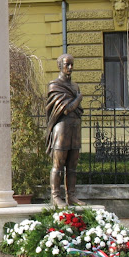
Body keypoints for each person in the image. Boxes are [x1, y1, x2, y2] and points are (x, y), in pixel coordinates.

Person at [45, 54, 85, 206]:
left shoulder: (75, 87)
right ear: (60, 66)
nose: (70, 67)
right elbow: (66, 109)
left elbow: (77, 110)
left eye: (72, 64)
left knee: (73, 165)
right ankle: (55, 196)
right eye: (67, 64)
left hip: (75, 127)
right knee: (58, 164)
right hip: (61, 129)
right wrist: (78, 99)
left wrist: (76, 101)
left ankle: (71, 196)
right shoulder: (55, 85)